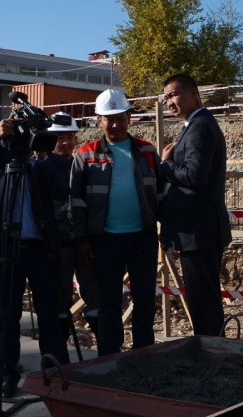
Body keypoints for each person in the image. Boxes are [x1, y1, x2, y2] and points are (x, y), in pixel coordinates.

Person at [0, 111, 71, 397]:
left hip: (41, 248)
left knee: (50, 312)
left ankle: (56, 369)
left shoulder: (51, 162)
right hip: (6, 245)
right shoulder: (3, 157)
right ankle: (7, 374)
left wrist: (42, 157)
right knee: (6, 314)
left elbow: (62, 191)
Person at [70, 90, 160, 355]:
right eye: (109, 119)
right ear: (99, 120)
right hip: (105, 240)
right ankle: (110, 356)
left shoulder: (146, 150)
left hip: (142, 237)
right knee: (109, 301)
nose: (115, 124)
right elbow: (74, 200)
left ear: (129, 118)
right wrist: (81, 238)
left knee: (144, 299)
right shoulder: (85, 154)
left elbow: (161, 192)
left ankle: (144, 353)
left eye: (120, 118)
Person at [158, 73, 230, 337]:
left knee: (203, 303)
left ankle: (213, 355)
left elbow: (194, 177)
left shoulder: (199, 126)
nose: (169, 102)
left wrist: (165, 165)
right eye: (165, 98)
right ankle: (215, 351)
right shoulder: (195, 124)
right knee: (204, 301)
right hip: (199, 232)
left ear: (193, 94)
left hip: (198, 233)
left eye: (174, 94)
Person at [49, 113, 99, 344]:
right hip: (58, 244)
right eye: (59, 137)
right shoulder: (41, 168)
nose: (65, 142)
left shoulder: (83, 165)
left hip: (84, 242)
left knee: (94, 295)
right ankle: (59, 346)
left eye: (69, 136)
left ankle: (105, 345)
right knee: (59, 299)